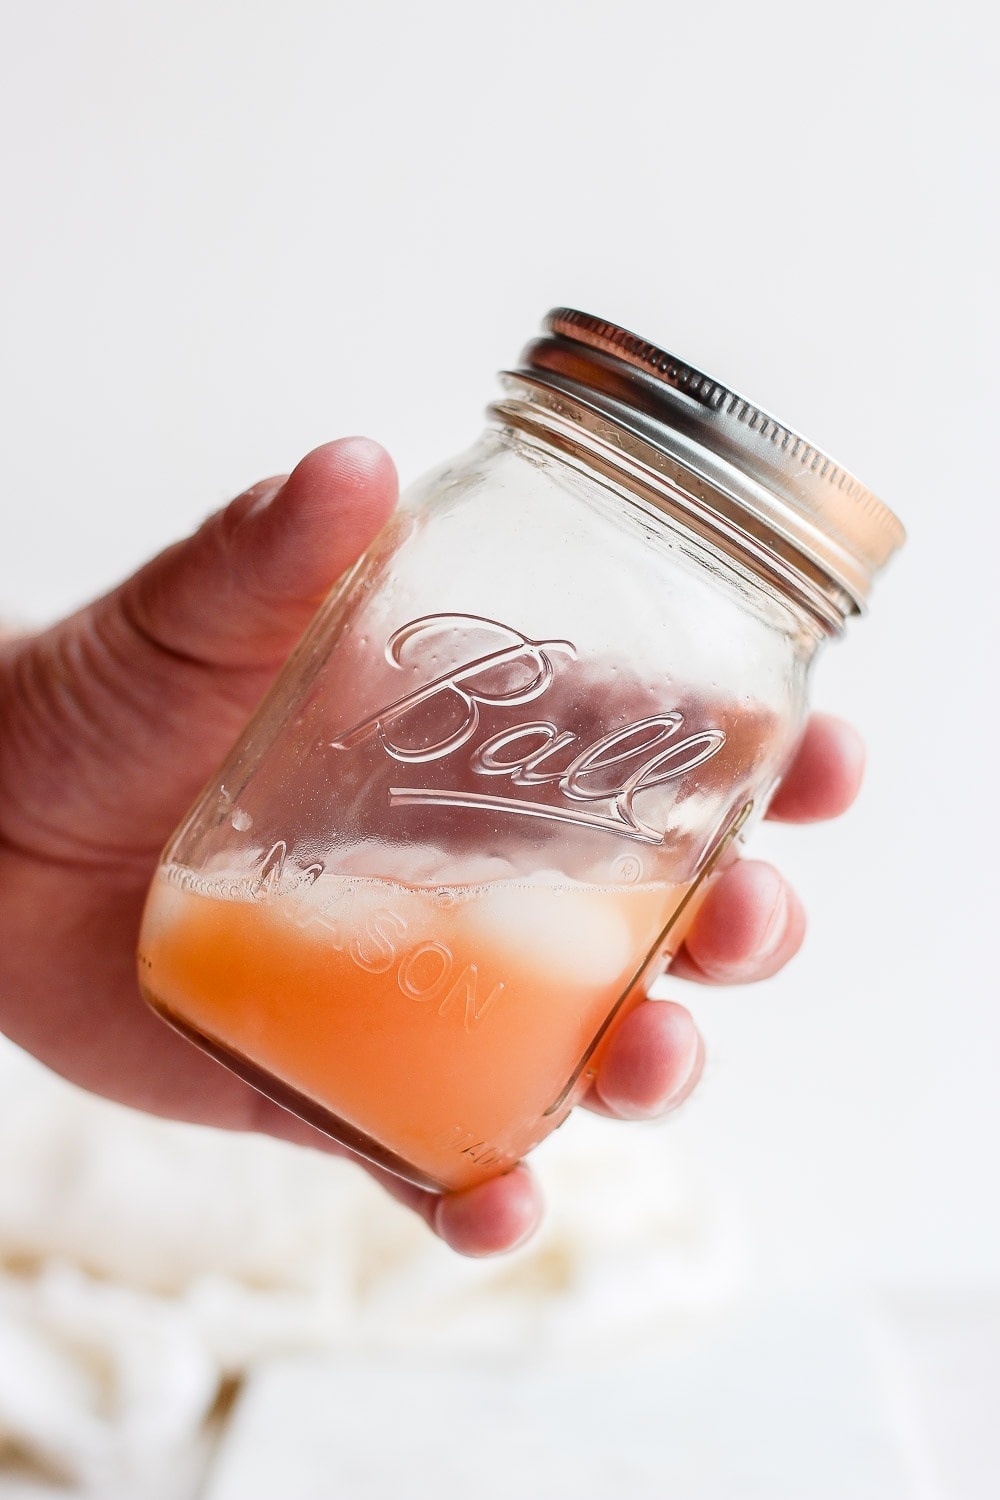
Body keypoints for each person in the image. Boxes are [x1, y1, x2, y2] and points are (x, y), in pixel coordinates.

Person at [0, 438, 864, 1257]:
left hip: (207, 958)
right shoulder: (490, 507)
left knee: (688, 942)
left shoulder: (754, 668)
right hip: (185, 952)